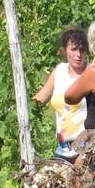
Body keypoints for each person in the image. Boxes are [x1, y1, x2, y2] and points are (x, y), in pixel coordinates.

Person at [33, 28, 88, 162]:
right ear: (65, 50)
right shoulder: (59, 72)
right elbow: (39, 100)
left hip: (86, 149)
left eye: (82, 49)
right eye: (74, 49)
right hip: (62, 149)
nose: (78, 54)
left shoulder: (92, 73)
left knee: (82, 182)